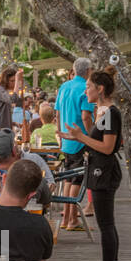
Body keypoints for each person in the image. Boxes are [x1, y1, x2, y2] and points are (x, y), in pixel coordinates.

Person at [61, 65, 123, 261]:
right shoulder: (102, 111)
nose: (84, 91)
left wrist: (82, 137)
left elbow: (107, 147)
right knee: (107, 223)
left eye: (88, 87)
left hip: (104, 172)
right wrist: (74, 136)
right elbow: (98, 139)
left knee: (106, 224)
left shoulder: (109, 112)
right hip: (99, 169)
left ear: (100, 88)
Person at [56, 57, 96, 231]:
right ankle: (72, 219)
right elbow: (86, 116)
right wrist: (92, 135)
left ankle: (66, 219)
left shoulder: (64, 87)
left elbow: (57, 115)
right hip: (80, 140)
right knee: (77, 180)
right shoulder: (85, 88)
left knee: (67, 179)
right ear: (88, 71)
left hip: (66, 140)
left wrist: (60, 136)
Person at [0, 129, 53, 207]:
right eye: (14, 142)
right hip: (30, 213)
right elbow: (50, 183)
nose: (16, 144)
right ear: (13, 150)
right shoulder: (33, 160)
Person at [0, 65, 19, 132]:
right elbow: (14, 99)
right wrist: (17, 80)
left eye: (15, 81)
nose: (14, 84)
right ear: (5, 80)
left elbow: (2, 114)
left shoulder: (2, 91)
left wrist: (11, 123)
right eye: (12, 81)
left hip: (3, 131)